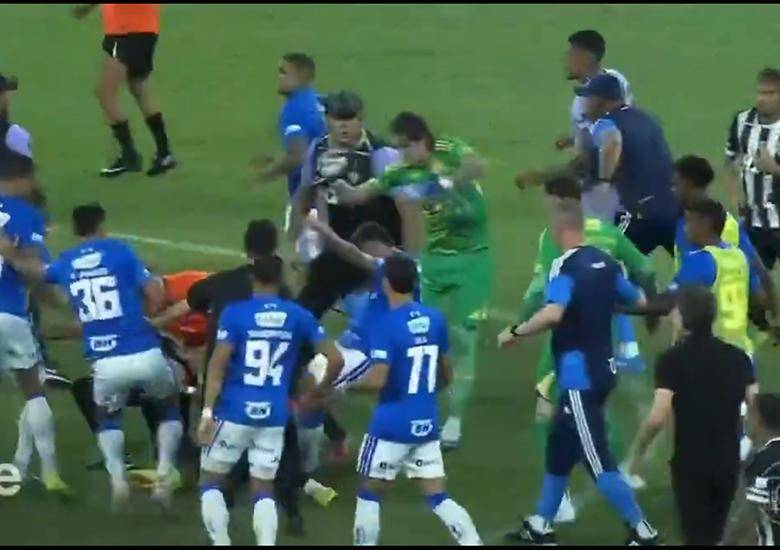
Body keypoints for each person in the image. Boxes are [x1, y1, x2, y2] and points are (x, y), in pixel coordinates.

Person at [0, 203, 182, 509]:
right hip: (144, 350)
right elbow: (155, 294)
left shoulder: (67, 261)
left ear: (75, 230)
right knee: (169, 406)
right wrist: (148, 308)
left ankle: (117, 479)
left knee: (108, 418)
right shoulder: (121, 251)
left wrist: (10, 254)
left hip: (105, 363)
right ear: (101, 225)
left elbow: (38, 273)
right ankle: (164, 473)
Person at [497, 199, 657, 546]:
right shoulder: (606, 262)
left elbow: (553, 313)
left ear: (559, 229)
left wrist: (516, 332)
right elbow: (638, 302)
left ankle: (642, 531)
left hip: (578, 378)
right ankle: (541, 524)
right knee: (559, 448)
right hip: (603, 368)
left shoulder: (564, 265)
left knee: (598, 460)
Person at [332, 112, 491, 450]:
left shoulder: (448, 148)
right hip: (433, 262)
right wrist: (338, 186)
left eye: (405, 146)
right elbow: (358, 195)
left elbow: (478, 166)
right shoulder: (401, 171)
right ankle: (417, 403)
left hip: (472, 260)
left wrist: (444, 184)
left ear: (421, 139)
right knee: (420, 333)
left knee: (464, 337)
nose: (402, 154)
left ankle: (454, 421)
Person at [196, 254, 344, 546]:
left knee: (210, 481)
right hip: (274, 414)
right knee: (263, 488)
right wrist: (317, 391)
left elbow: (217, 366)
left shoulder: (235, 313)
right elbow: (335, 359)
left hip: (234, 411)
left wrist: (207, 411)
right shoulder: (298, 315)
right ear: (281, 279)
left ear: (252, 278)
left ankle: (221, 541)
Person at [351, 253, 482, 545]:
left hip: (390, 424)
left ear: (386, 283)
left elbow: (378, 379)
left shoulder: (385, 324)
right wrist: (423, 394)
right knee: (438, 496)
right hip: (426, 421)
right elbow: (447, 373)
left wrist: (347, 387)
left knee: (369, 493)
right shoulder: (435, 319)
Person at [626, 286, 757, 545]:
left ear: (683, 318)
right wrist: (750, 444)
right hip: (728, 460)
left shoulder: (671, 361)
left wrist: (637, 454)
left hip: (691, 464)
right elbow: (754, 408)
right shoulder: (739, 357)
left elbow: (658, 417)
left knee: (696, 536)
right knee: (718, 533)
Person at [290, 90, 401, 318]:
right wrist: (294, 238)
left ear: (361, 119)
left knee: (371, 310)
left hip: (376, 243)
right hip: (338, 241)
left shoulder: (381, 153)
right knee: (312, 300)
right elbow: (307, 194)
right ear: (326, 119)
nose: (343, 127)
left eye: (349, 120)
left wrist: (406, 254)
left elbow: (404, 206)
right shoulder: (318, 150)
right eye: (337, 119)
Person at [0, 173, 69, 496]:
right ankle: (50, 472)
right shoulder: (20, 219)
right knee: (33, 391)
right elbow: (40, 279)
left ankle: (20, 464)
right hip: (11, 317)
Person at [72, 4, 176, 177]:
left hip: (129, 33)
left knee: (105, 93)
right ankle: (164, 153)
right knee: (139, 90)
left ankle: (129, 155)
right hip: (136, 31)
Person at [725, 68, 780, 269]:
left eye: (769, 93)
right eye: (760, 93)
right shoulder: (743, 121)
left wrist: (774, 168)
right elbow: (730, 161)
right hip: (753, 224)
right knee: (752, 281)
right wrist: (734, 196)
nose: (762, 99)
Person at [257, 53, 325, 199]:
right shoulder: (317, 100)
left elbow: (297, 156)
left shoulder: (295, 109)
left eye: (284, 72)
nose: (279, 77)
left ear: (302, 77)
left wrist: (265, 174)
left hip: (310, 193)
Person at [557, 30, 632, 153]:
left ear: (586, 59)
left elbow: (611, 137)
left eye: (571, 54)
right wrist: (572, 141)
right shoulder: (616, 80)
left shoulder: (613, 84)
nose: (567, 60)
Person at [727, 393, 780, 545]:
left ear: (758, 420)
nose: (745, 420)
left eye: (749, 415)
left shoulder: (761, 463)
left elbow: (747, 516)